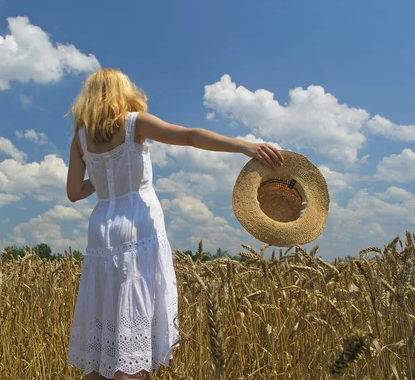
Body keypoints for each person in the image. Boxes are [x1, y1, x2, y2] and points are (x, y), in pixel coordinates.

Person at [66, 68, 284, 380]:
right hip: (138, 223)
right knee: (133, 326)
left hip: (102, 227)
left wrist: (102, 179)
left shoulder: (81, 139)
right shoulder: (134, 122)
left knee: (103, 337)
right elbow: (189, 136)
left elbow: (74, 192)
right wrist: (244, 146)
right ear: (122, 92)